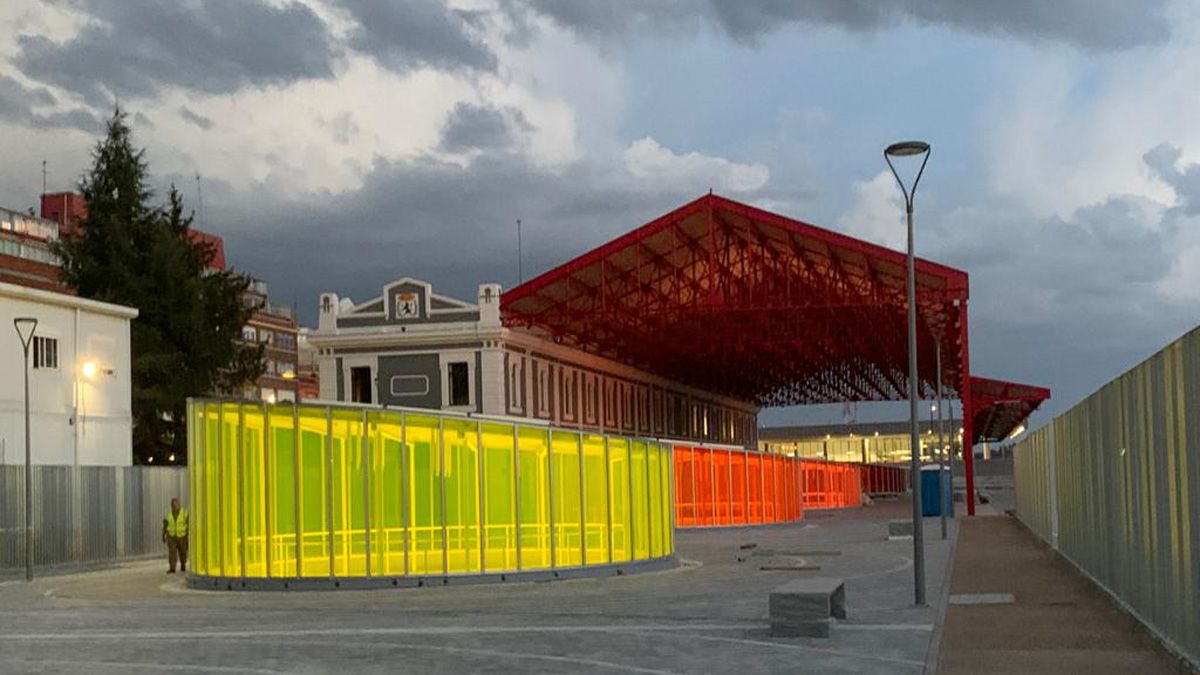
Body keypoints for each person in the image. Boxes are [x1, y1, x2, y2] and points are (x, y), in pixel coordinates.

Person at [162, 497, 188, 574]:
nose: (174, 506)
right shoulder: (168, 514)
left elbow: (188, 524)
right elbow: (165, 525)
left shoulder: (184, 513)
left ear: (179, 505)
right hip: (171, 536)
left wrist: (188, 534)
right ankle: (172, 568)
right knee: (172, 553)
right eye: (173, 505)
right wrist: (163, 535)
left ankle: (183, 565)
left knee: (183, 552)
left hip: (182, 536)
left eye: (176, 504)